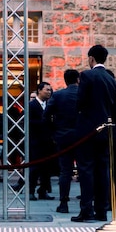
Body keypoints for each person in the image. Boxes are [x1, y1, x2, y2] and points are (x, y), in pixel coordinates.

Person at [71, 44, 116, 222]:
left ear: (91, 59)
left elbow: (81, 101)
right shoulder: (111, 79)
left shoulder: (87, 75)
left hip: (88, 130)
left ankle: (87, 210)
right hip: (106, 131)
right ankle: (102, 210)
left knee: (86, 170)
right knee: (103, 171)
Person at [45, 68, 79, 214]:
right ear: (78, 79)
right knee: (85, 170)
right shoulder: (84, 94)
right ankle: (86, 203)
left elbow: (46, 115)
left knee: (65, 171)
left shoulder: (58, 95)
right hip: (82, 136)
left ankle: (63, 202)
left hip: (63, 136)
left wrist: (54, 132)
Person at [28, 81, 55, 200]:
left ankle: (43, 190)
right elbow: (29, 122)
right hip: (35, 141)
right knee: (34, 168)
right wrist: (43, 123)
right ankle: (31, 190)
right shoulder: (32, 105)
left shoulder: (49, 105)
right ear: (39, 90)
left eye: (50, 90)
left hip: (47, 141)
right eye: (47, 90)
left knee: (46, 168)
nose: (49, 92)